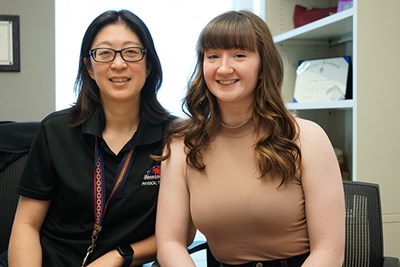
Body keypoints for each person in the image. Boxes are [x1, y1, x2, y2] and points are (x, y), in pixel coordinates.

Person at [155, 10, 345, 267]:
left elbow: (329, 251)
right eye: (212, 56)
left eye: (239, 55)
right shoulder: (182, 143)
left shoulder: (307, 138)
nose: (223, 68)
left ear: (263, 65)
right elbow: (170, 243)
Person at [8, 9, 173, 267]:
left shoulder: (173, 138)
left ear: (149, 64)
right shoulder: (56, 131)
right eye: (105, 53)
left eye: (131, 52)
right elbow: (27, 225)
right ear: (89, 67)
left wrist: (120, 256)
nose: (118, 64)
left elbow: (177, 233)